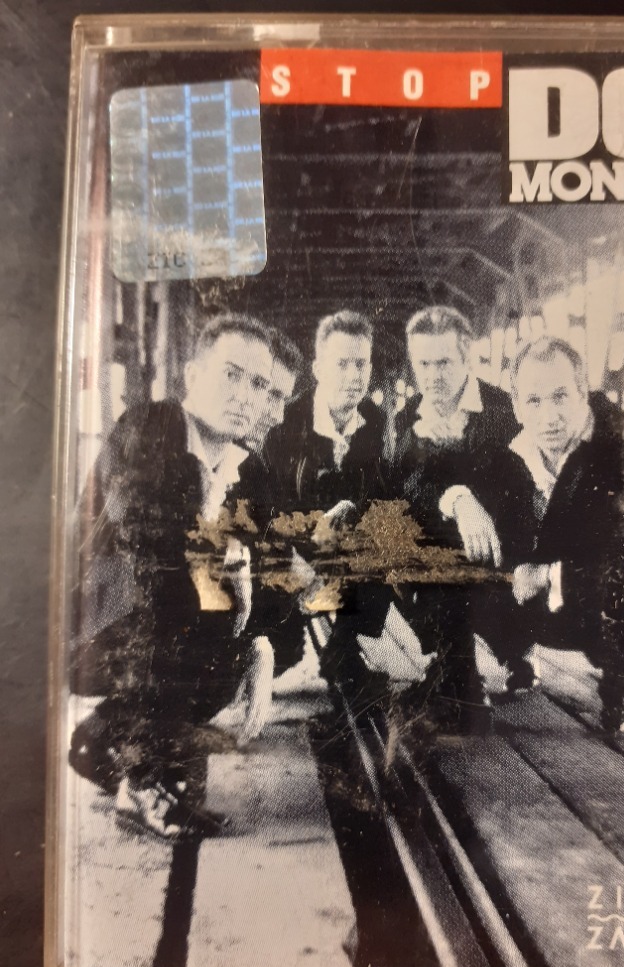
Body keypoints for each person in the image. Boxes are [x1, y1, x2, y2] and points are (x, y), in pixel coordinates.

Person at [68, 313, 302, 839]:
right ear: (193, 375)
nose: (246, 395)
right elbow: (152, 563)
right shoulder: (154, 427)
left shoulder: (233, 462)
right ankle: (144, 785)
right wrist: (230, 571)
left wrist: (255, 644)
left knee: (225, 647)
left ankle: (101, 740)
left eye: (259, 384)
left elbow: (264, 572)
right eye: (232, 375)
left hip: (128, 626)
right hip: (86, 625)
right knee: (194, 609)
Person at [445, 336, 624, 733]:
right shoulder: (503, 437)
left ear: (583, 392)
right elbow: (442, 474)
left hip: (601, 591)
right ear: (517, 406)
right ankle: (517, 655)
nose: (548, 416)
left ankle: (618, 680)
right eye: (534, 401)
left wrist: (547, 574)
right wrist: (462, 500)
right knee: (455, 561)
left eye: (560, 396)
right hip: (531, 593)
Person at [392, 305, 519, 733]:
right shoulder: (408, 417)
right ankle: (459, 675)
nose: (433, 376)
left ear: (468, 359)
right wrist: (456, 496)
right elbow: (406, 488)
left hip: (503, 554)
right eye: (423, 364)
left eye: (444, 362)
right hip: (444, 562)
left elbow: (516, 489)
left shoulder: (504, 411)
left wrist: (467, 493)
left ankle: (470, 676)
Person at [263, 310, 390, 713]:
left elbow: (383, 493)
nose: (354, 376)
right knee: (283, 656)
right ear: (318, 369)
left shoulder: (376, 422)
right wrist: (306, 534)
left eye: (361, 364)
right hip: (291, 551)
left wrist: (354, 510)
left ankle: (344, 651)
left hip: (344, 548)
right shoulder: (284, 421)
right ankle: (284, 643)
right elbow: (266, 503)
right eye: (342, 364)